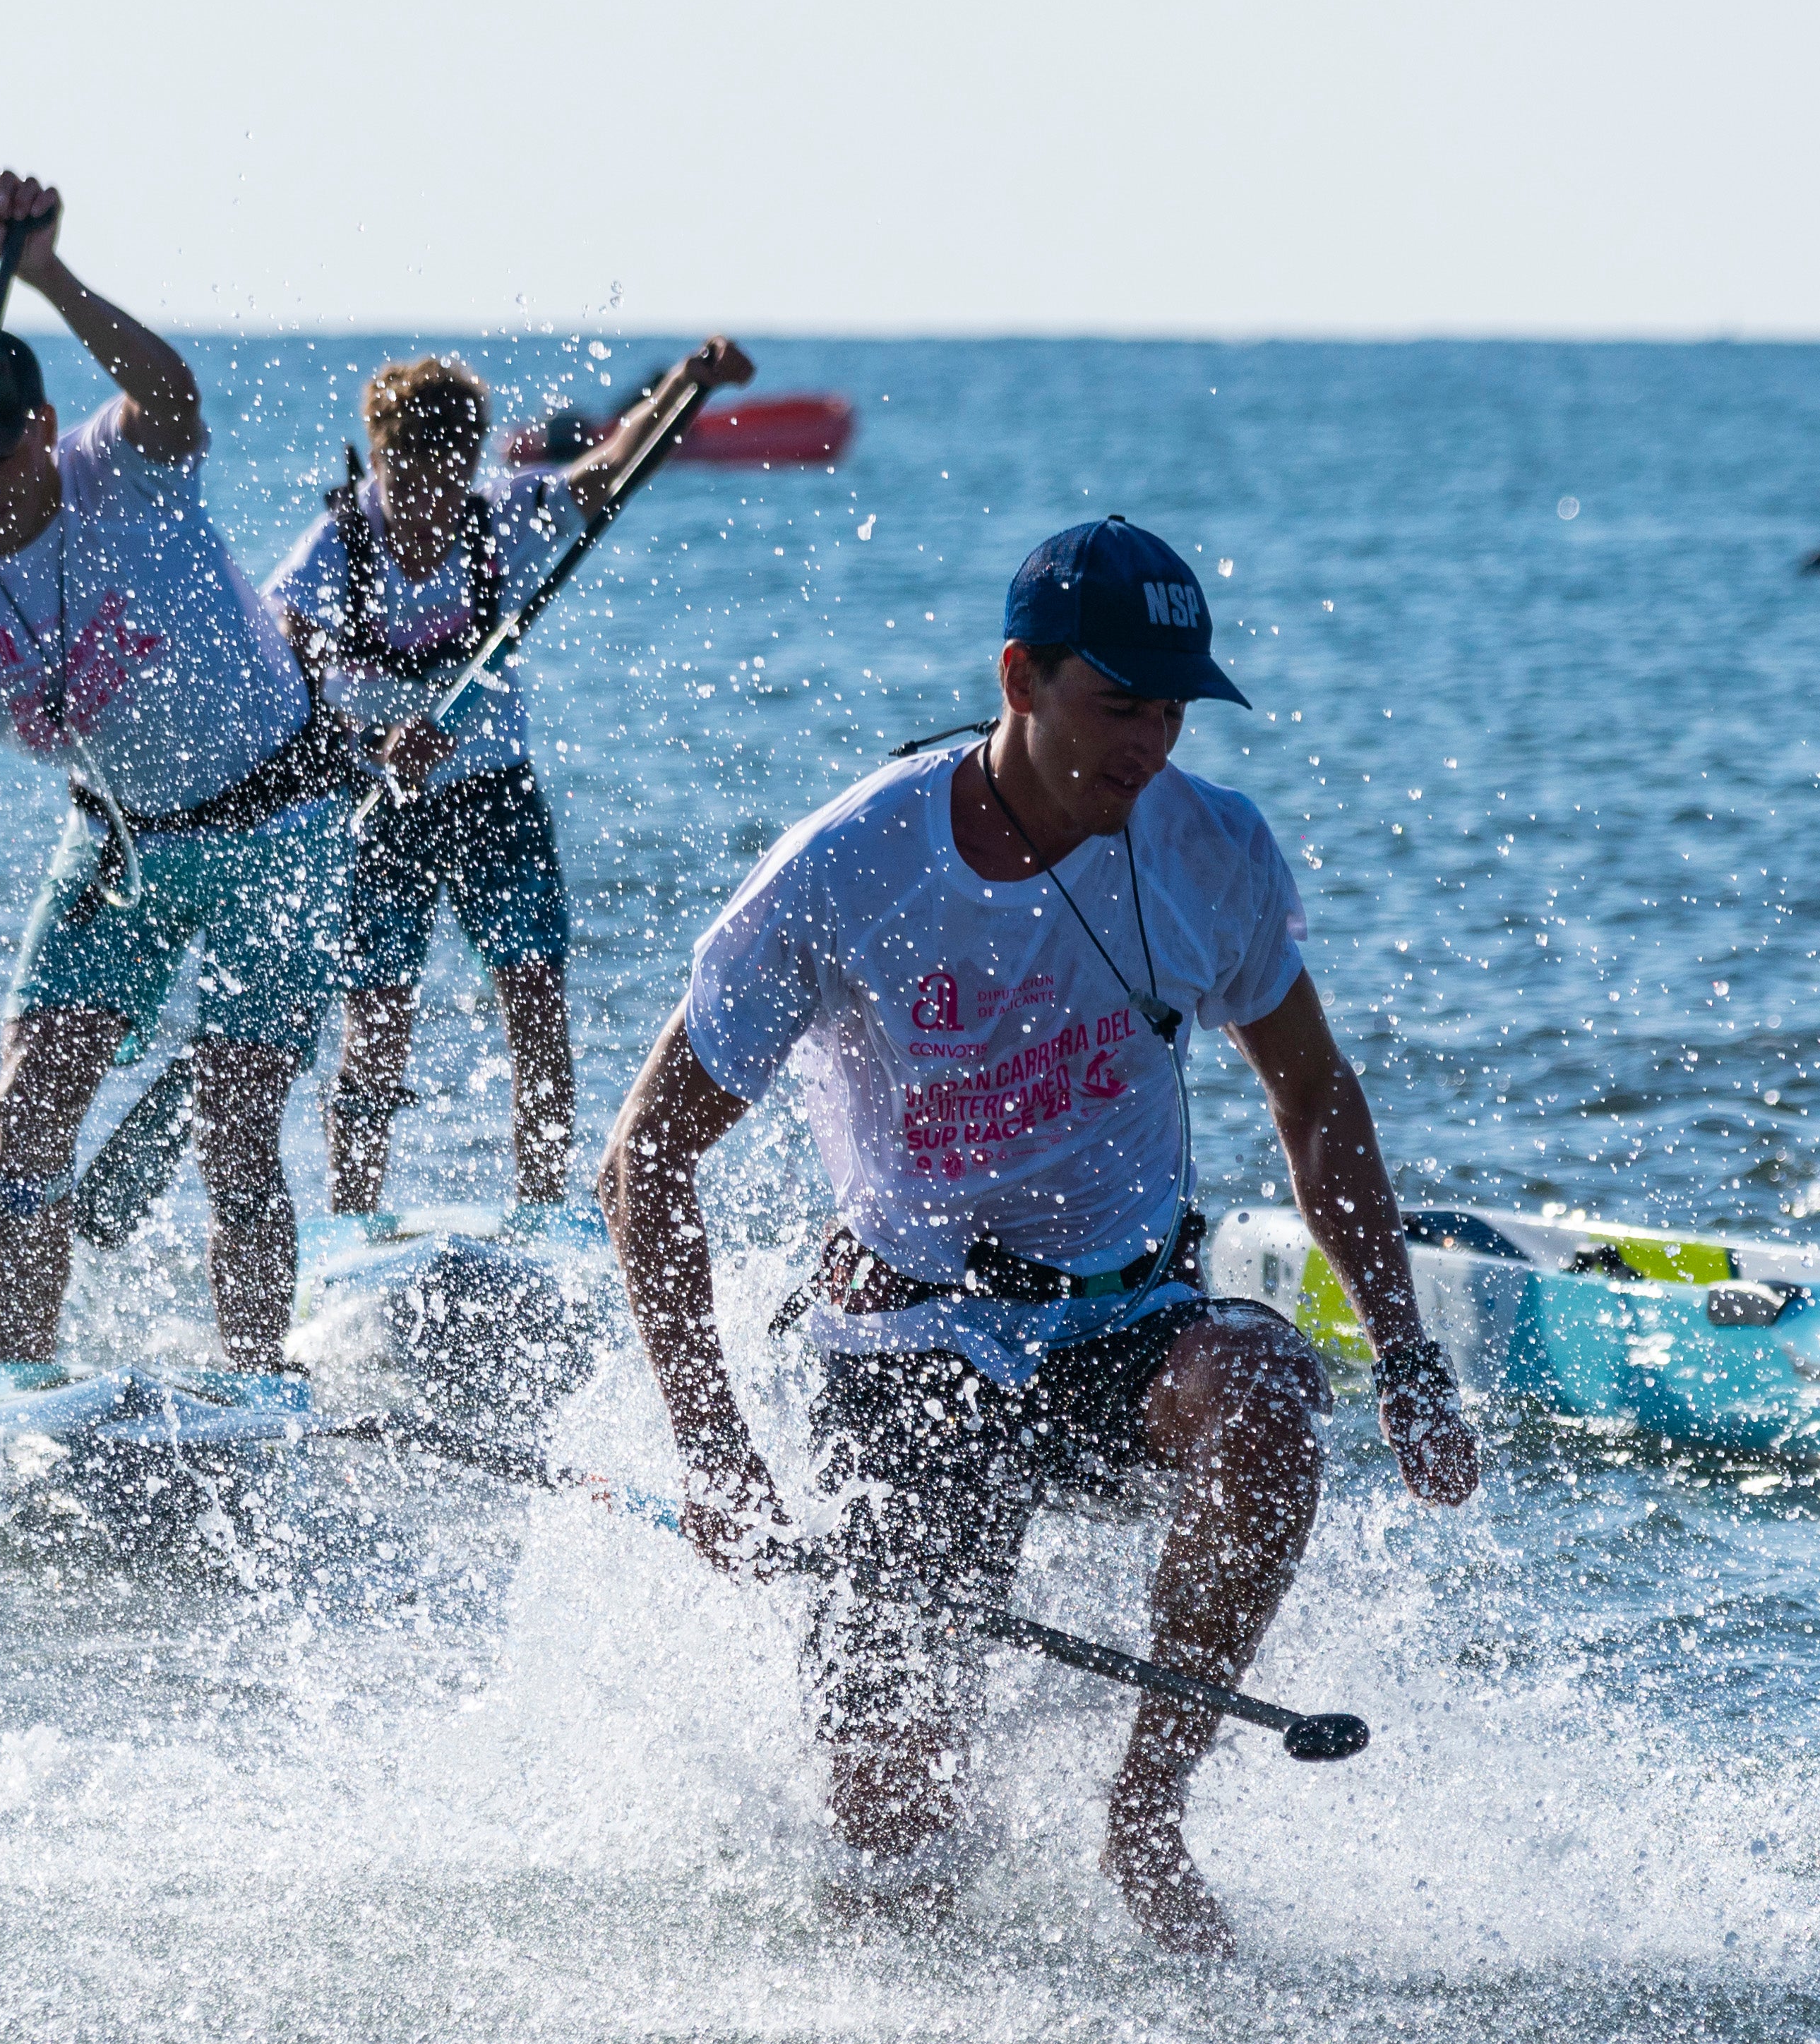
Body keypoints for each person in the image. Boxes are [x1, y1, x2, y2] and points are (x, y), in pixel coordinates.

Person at [597, 516, 1484, 1955]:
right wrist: (712, 1453)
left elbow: (1314, 1094)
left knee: (1264, 1411)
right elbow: (644, 1157)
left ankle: (1146, 1813)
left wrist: (1410, 1359)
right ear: (1020, 675)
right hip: (907, 1337)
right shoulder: (849, 865)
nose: (1152, 740)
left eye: (1175, 706)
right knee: (893, 1842)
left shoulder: (1216, 855)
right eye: (1118, 702)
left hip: (1122, 1325)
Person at [0, 172, 352, 1370]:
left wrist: (46, 273)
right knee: (27, 1124)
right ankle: (23, 1391)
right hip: (120, 849)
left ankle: (255, 1381)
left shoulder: (127, 469)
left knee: (236, 1123)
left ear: (43, 432)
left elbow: (172, 390)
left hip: (282, 821)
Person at [268, 339, 753, 1222]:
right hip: (383, 808)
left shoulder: (509, 516)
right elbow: (276, 686)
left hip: (495, 793)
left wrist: (686, 382)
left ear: (471, 466)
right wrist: (374, 739)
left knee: (532, 998)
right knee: (378, 1016)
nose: (428, 507)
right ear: (379, 462)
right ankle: (350, 1219)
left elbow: (610, 469)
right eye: (409, 482)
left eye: (448, 482)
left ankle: (542, 1211)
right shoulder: (331, 552)